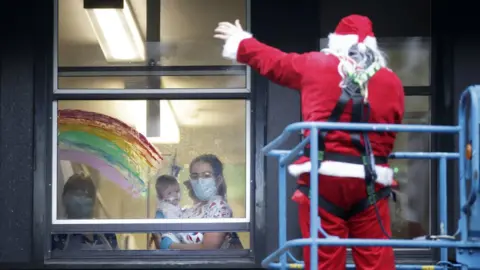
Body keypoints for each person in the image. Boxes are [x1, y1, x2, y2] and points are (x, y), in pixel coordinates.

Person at [214, 15, 404, 269]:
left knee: (322, 258)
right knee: (376, 256)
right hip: (370, 180)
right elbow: (392, 130)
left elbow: (276, 62)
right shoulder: (391, 81)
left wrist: (242, 43)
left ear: (336, 42)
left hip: (321, 179)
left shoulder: (316, 64)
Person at [158, 154, 242, 250]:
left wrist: (170, 246)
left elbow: (208, 248)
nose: (199, 180)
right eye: (195, 176)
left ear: (218, 180)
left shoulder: (219, 207)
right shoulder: (194, 209)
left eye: (206, 175)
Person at [52, 173, 118, 251]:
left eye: (86, 195)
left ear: (93, 201)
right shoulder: (58, 235)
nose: (81, 200)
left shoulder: (107, 233)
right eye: (77, 194)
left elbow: (118, 260)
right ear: (64, 199)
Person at [154, 174, 204, 245]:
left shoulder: (173, 206)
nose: (175, 195)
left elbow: (179, 215)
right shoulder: (165, 209)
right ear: (161, 197)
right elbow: (174, 224)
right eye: (169, 193)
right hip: (172, 235)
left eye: (177, 191)